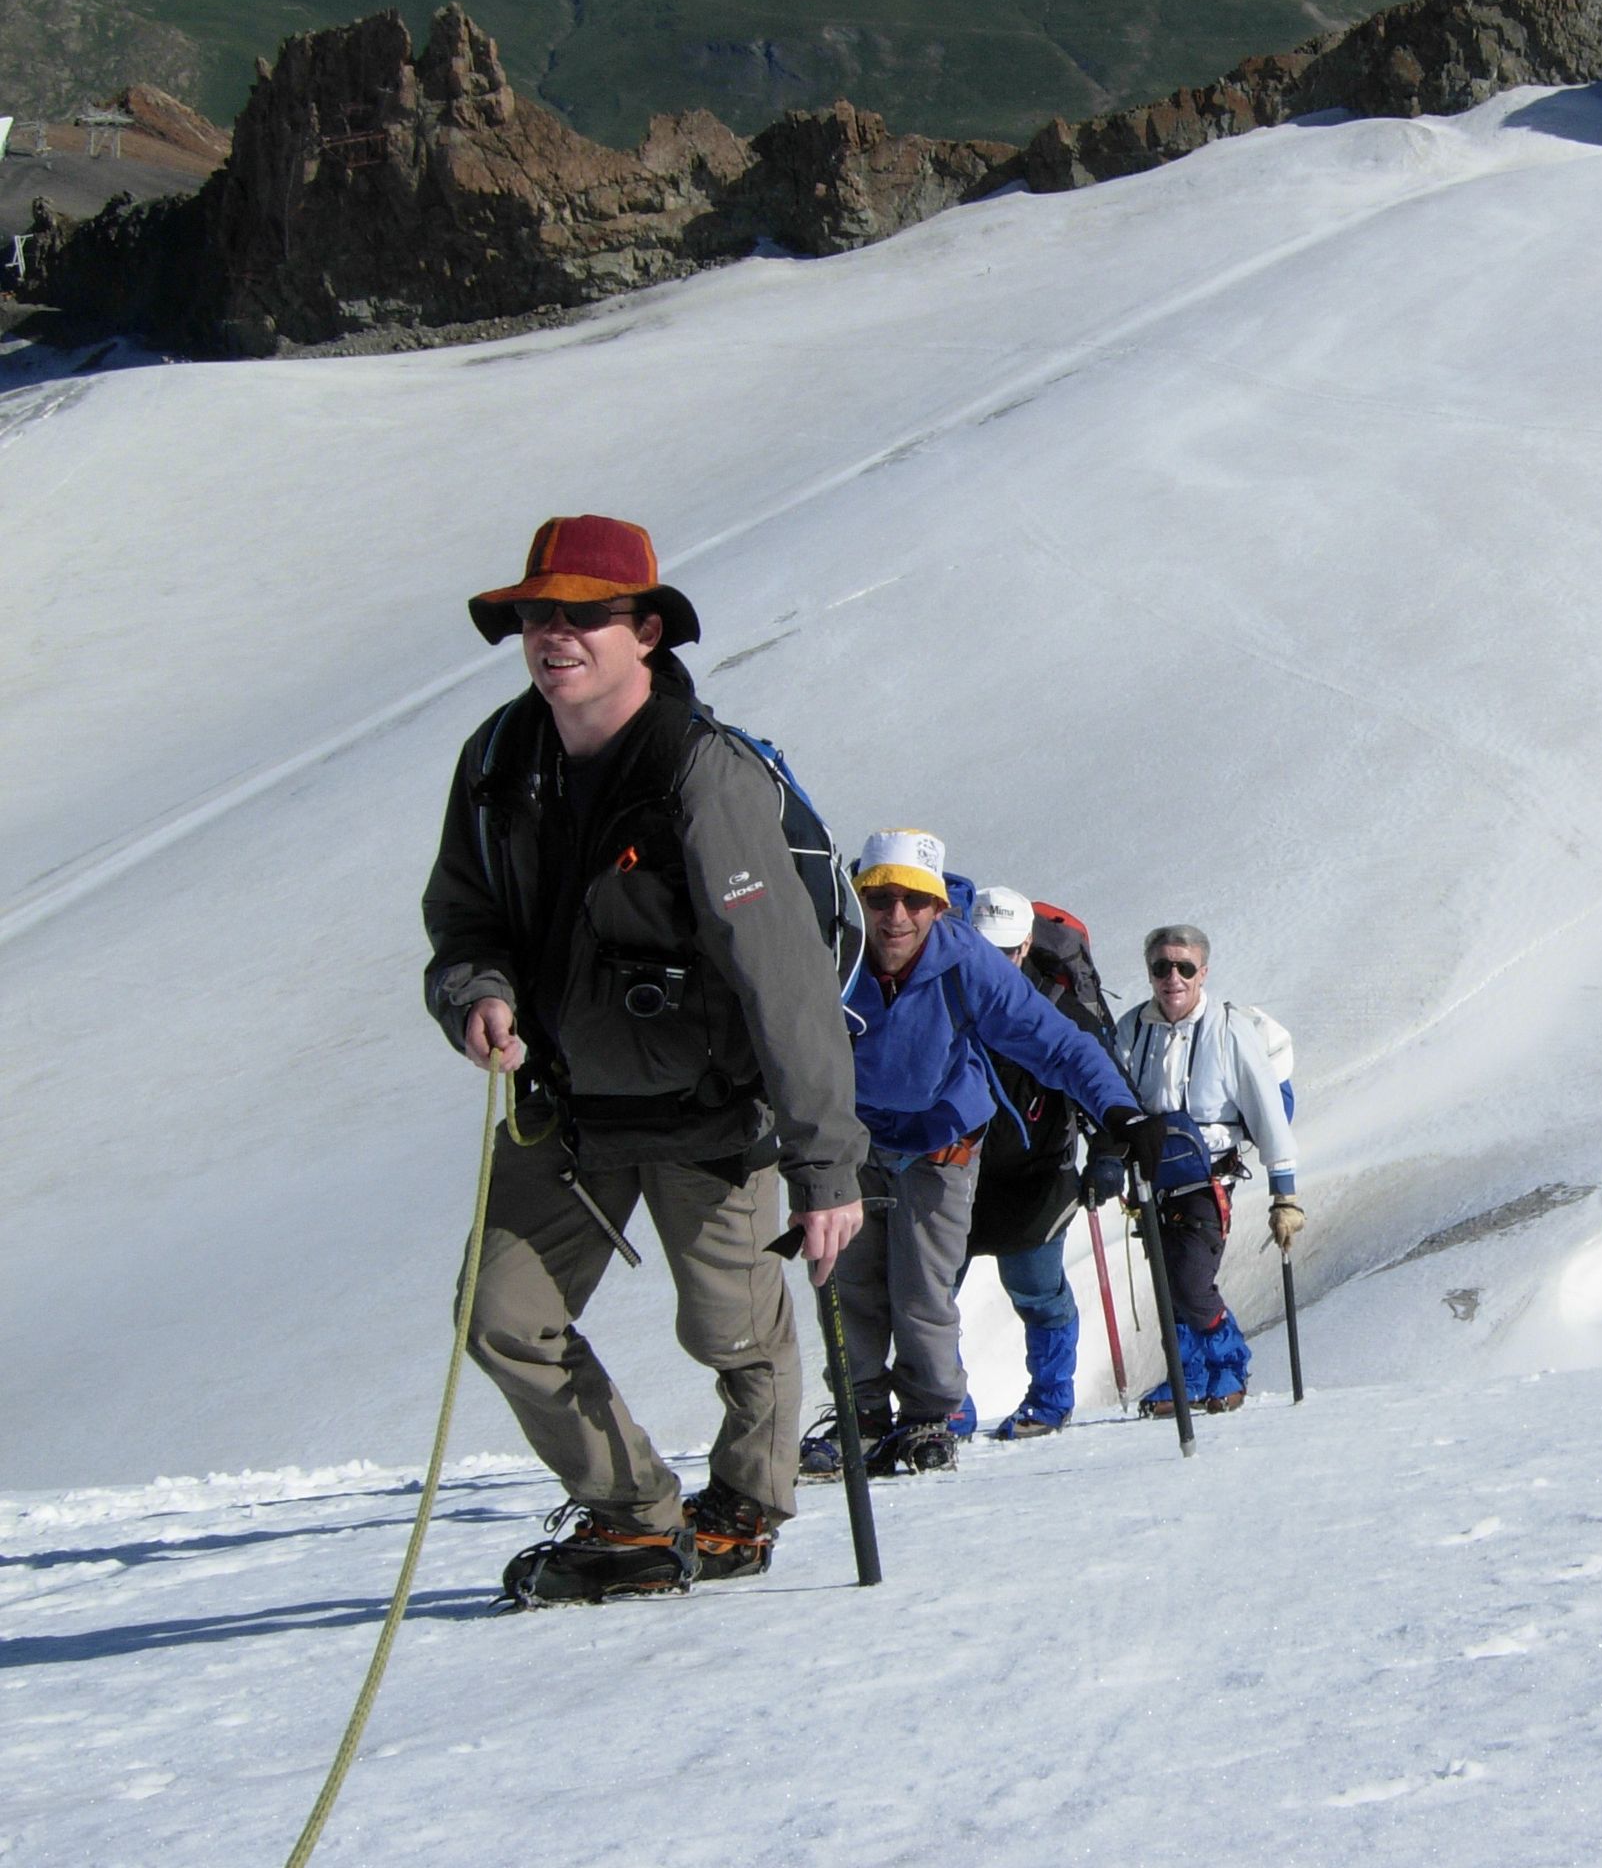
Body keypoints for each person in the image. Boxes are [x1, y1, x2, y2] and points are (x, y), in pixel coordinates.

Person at [423, 515, 866, 1606]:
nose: (552, 634)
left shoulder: (702, 774)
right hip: (566, 1108)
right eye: (535, 614)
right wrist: (477, 994)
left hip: (706, 1113)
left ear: (649, 632)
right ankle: (635, 1516)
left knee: (732, 1332)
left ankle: (746, 1509)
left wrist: (824, 1169)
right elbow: (465, 918)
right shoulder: (498, 761)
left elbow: (787, 982)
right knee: (499, 1315)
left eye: (584, 614)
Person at [812, 832, 1158, 1474]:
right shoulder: (832, 951)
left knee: (922, 1288)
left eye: (913, 901)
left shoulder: (966, 961)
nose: (895, 916)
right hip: (852, 1142)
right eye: (880, 898)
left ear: (938, 907)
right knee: (849, 1282)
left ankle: (927, 1418)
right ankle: (859, 1416)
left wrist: (1119, 1109)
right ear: (858, 898)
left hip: (941, 1140)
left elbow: (1055, 1043)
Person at [1102, 924, 1303, 1414]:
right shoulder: (1132, 1030)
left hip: (1207, 1178)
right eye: (1161, 967)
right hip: (1150, 1180)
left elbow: (1265, 1111)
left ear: (1203, 972)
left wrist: (1285, 1195)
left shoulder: (1230, 1030)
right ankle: (1188, 1376)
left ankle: (1229, 1365)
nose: (1173, 977)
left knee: (1191, 1282)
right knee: (1171, 1286)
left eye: (1184, 967)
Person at [963, 886, 1117, 1440]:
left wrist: (1107, 1155)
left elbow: (1102, 1083)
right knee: (927, 1298)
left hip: (1036, 1178)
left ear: (1025, 946)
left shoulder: (1058, 1008)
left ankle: (1051, 1400)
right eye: (981, 948)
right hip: (953, 1174)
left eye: (1004, 951)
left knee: (1036, 1291)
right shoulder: (942, 996)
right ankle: (942, 1409)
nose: (993, 963)